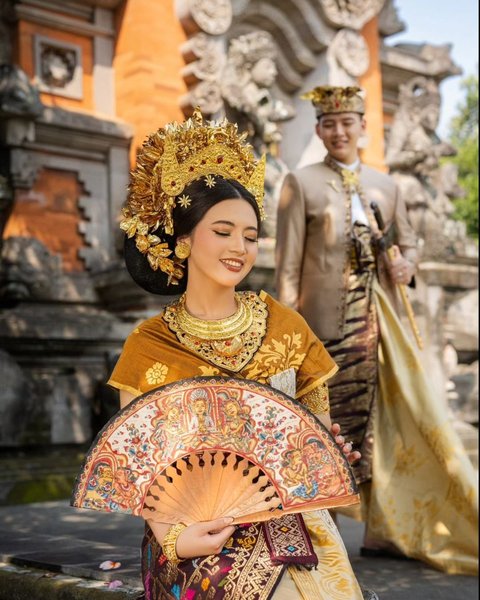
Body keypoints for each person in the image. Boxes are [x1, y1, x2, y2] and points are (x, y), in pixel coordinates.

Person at [108, 108, 377, 599]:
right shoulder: (148, 345)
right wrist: (176, 535)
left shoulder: (284, 326)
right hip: (188, 531)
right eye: (223, 231)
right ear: (184, 241)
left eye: (251, 236)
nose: (240, 247)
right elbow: (137, 467)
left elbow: (311, 439)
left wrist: (323, 454)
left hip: (291, 529)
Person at [275, 85, 478, 575]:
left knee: (382, 426)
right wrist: (286, 335)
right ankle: (316, 528)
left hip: (379, 326)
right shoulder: (299, 184)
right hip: (323, 326)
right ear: (320, 129)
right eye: (328, 123)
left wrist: (406, 264)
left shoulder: (388, 187)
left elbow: (410, 249)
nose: (339, 131)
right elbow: (287, 268)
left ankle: (381, 530)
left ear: (364, 126)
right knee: (323, 422)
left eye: (347, 122)